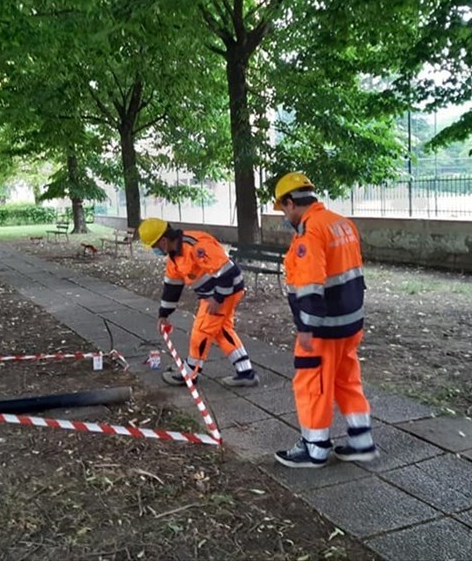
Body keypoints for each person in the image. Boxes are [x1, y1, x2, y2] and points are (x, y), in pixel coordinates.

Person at [272, 172, 376, 468]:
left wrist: (307, 327)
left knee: (311, 383)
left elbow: (310, 284)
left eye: (283, 209)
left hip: (323, 328)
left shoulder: (311, 231)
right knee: (347, 381)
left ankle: (315, 447)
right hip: (351, 322)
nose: (284, 216)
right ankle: (361, 440)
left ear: (291, 202)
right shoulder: (341, 222)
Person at [138, 218, 259, 388]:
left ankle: (190, 373)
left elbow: (230, 272)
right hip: (215, 294)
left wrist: (218, 298)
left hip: (225, 292)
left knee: (201, 331)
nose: (154, 250)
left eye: (154, 246)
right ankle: (246, 372)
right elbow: (172, 288)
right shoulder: (174, 258)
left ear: (163, 241)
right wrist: (163, 315)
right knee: (221, 331)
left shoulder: (196, 245)